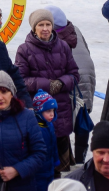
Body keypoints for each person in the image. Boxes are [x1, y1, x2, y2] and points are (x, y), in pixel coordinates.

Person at [15, 9, 80, 171]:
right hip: (38, 112)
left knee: (62, 167)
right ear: (34, 28)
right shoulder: (24, 50)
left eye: (48, 24)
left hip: (62, 109)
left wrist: (61, 83)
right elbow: (20, 81)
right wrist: (47, 85)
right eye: (41, 25)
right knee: (42, 161)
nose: (45, 28)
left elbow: (74, 75)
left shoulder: (63, 46)